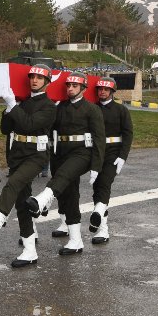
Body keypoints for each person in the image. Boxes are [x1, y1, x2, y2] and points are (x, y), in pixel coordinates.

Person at [0, 65, 57, 266]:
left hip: (36, 155)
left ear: (47, 82)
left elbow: (28, 125)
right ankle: (29, 251)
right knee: (22, 203)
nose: (34, 80)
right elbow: (5, 129)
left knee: (13, 184)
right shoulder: (22, 103)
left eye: (39, 77)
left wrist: (14, 106)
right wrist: (9, 108)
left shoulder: (49, 106)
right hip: (18, 154)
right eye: (32, 77)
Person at [25, 72, 105, 256]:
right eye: (68, 85)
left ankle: (42, 200)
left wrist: (96, 166)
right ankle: (76, 240)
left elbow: (99, 139)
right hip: (61, 153)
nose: (70, 89)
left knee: (64, 176)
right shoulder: (59, 107)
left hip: (82, 153)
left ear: (83, 88)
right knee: (69, 195)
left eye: (74, 86)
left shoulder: (92, 109)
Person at [89, 77, 133, 244]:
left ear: (112, 92)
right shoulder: (92, 109)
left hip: (113, 153)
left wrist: (123, 156)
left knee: (104, 184)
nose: (102, 92)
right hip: (96, 153)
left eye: (106, 90)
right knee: (97, 187)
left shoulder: (121, 110)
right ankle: (101, 228)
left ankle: (99, 216)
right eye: (100, 89)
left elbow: (128, 134)